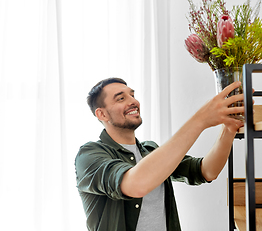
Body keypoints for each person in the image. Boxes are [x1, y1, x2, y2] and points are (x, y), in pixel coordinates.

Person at [75, 77, 245, 231]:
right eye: (121, 98)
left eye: (132, 95)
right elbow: (136, 184)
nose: (133, 101)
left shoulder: (150, 150)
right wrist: (200, 120)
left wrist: (229, 129)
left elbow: (206, 171)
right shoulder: (89, 155)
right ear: (101, 114)